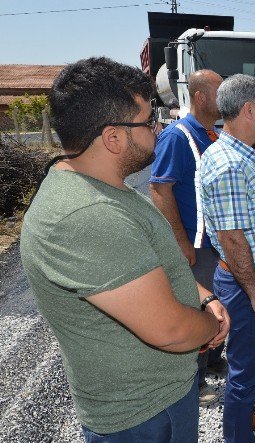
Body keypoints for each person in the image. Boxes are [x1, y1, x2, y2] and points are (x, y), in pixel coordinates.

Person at [20, 57, 230, 442]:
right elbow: (169, 330)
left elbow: (149, 263)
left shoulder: (101, 186)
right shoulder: (86, 216)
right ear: (113, 138)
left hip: (159, 400)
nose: (159, 129)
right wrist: (211, 326)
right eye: (149, 121)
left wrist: (202, 296)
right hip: (142, 417)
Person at [200, 73, 255, 443]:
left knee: (248, 364)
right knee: (245, 370)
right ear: (249, 110)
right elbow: (233, 241)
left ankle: (244, 421)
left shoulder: (237, 155)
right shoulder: (231, 165)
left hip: (251, 277)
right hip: (247, 282)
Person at [149, 69, 227, 407]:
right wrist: (180, 243)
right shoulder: (178, 137)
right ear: (200, 96)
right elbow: (159, 189)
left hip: (216, 244)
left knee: (218, 303)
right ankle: (191, 381)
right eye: (219, 92)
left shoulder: (213, 134)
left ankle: (210, 360)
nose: (224, 99)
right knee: (195, 309)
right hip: (195, 246)